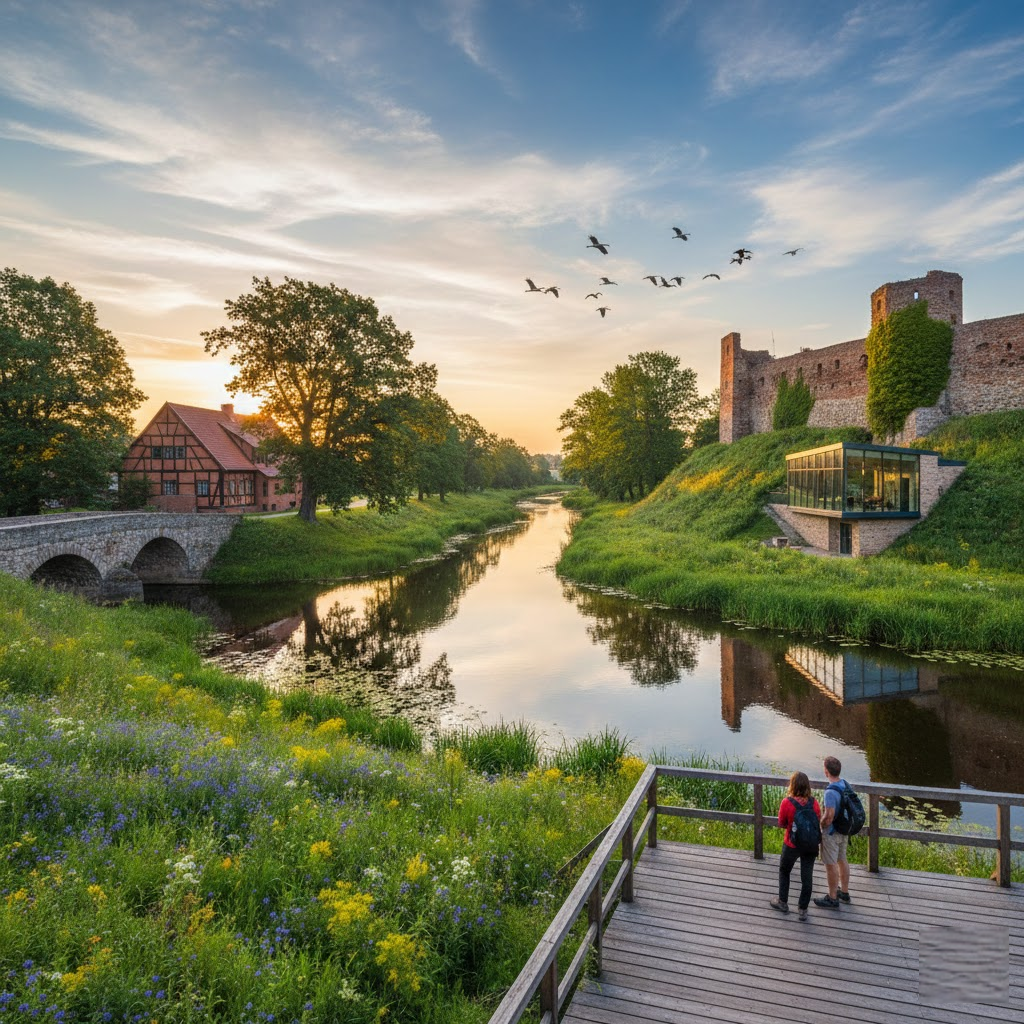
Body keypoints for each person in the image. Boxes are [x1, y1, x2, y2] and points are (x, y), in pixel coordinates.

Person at [770, 770, 820, 922]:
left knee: (784, 871)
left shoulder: (787, 802)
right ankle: (803, 910)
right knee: (807, 877)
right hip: (810, 844)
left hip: (791, 843)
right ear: (807, 786)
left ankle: (783, 902)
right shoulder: (814, 802)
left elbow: (781, 823)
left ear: (792, 785)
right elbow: (817, 820)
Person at [814, 755, 852, 909]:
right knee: (842, 859)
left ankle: (832, 898)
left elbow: (829, 817)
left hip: (832, 833)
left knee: (830, 865)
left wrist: (820, 825)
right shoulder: (845, 784)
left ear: (826, 772)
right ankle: (844, 892)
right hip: (844, 830)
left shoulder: (830, 792)